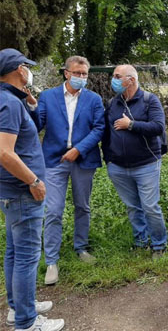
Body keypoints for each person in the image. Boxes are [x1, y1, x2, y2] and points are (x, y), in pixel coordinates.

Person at [0, 48, 64, 331]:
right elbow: (4, 152)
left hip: (12, 192)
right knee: (26, 256)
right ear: (17, 70)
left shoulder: (12, 100)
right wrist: (34, 182)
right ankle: (27, 322)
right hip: (22, 192)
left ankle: (18, 307)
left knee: (14, 252)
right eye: (27, 66)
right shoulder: (8, 103)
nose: (29, 70)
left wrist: (30, 106)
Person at [37, 56, 106, 286]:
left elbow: (99, 129)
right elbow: (38, 125)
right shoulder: (47, 96)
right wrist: (29, 106)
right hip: (54, 160)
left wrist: (78, 149)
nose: (81, 77)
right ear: (66, 73)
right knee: (54, 210)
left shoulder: (94, 99)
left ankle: (81, 247)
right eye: (77, 73)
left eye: (84, 74)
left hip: (82, 159)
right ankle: (52, 261)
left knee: (82, 206)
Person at [103, 64, 168, 258]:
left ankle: (159, 245)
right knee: (133, 207)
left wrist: (130, 124)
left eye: (117, 76)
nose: (113, 80)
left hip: (147, 164)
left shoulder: (149, 100)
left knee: (150, 207)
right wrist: (108, 159)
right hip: (118, 167)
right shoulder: (113, 103)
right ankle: (141, 242)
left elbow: (158, 127)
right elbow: (106, 133)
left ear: (131, 80)